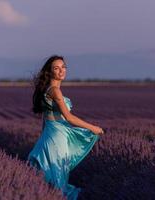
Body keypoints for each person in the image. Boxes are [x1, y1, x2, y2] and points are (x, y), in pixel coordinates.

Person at [27, 55, 104, 200]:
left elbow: (45, 120)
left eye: (63, 67)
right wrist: (93, 127)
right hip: (57, 139)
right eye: (56, 68)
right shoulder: (55, 91)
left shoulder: (48, 89)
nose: (61, 71)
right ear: (50, 72)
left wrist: (43, 140)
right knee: (58, 179)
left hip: (50, 137)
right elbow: (69, 118)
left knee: (50, 178)